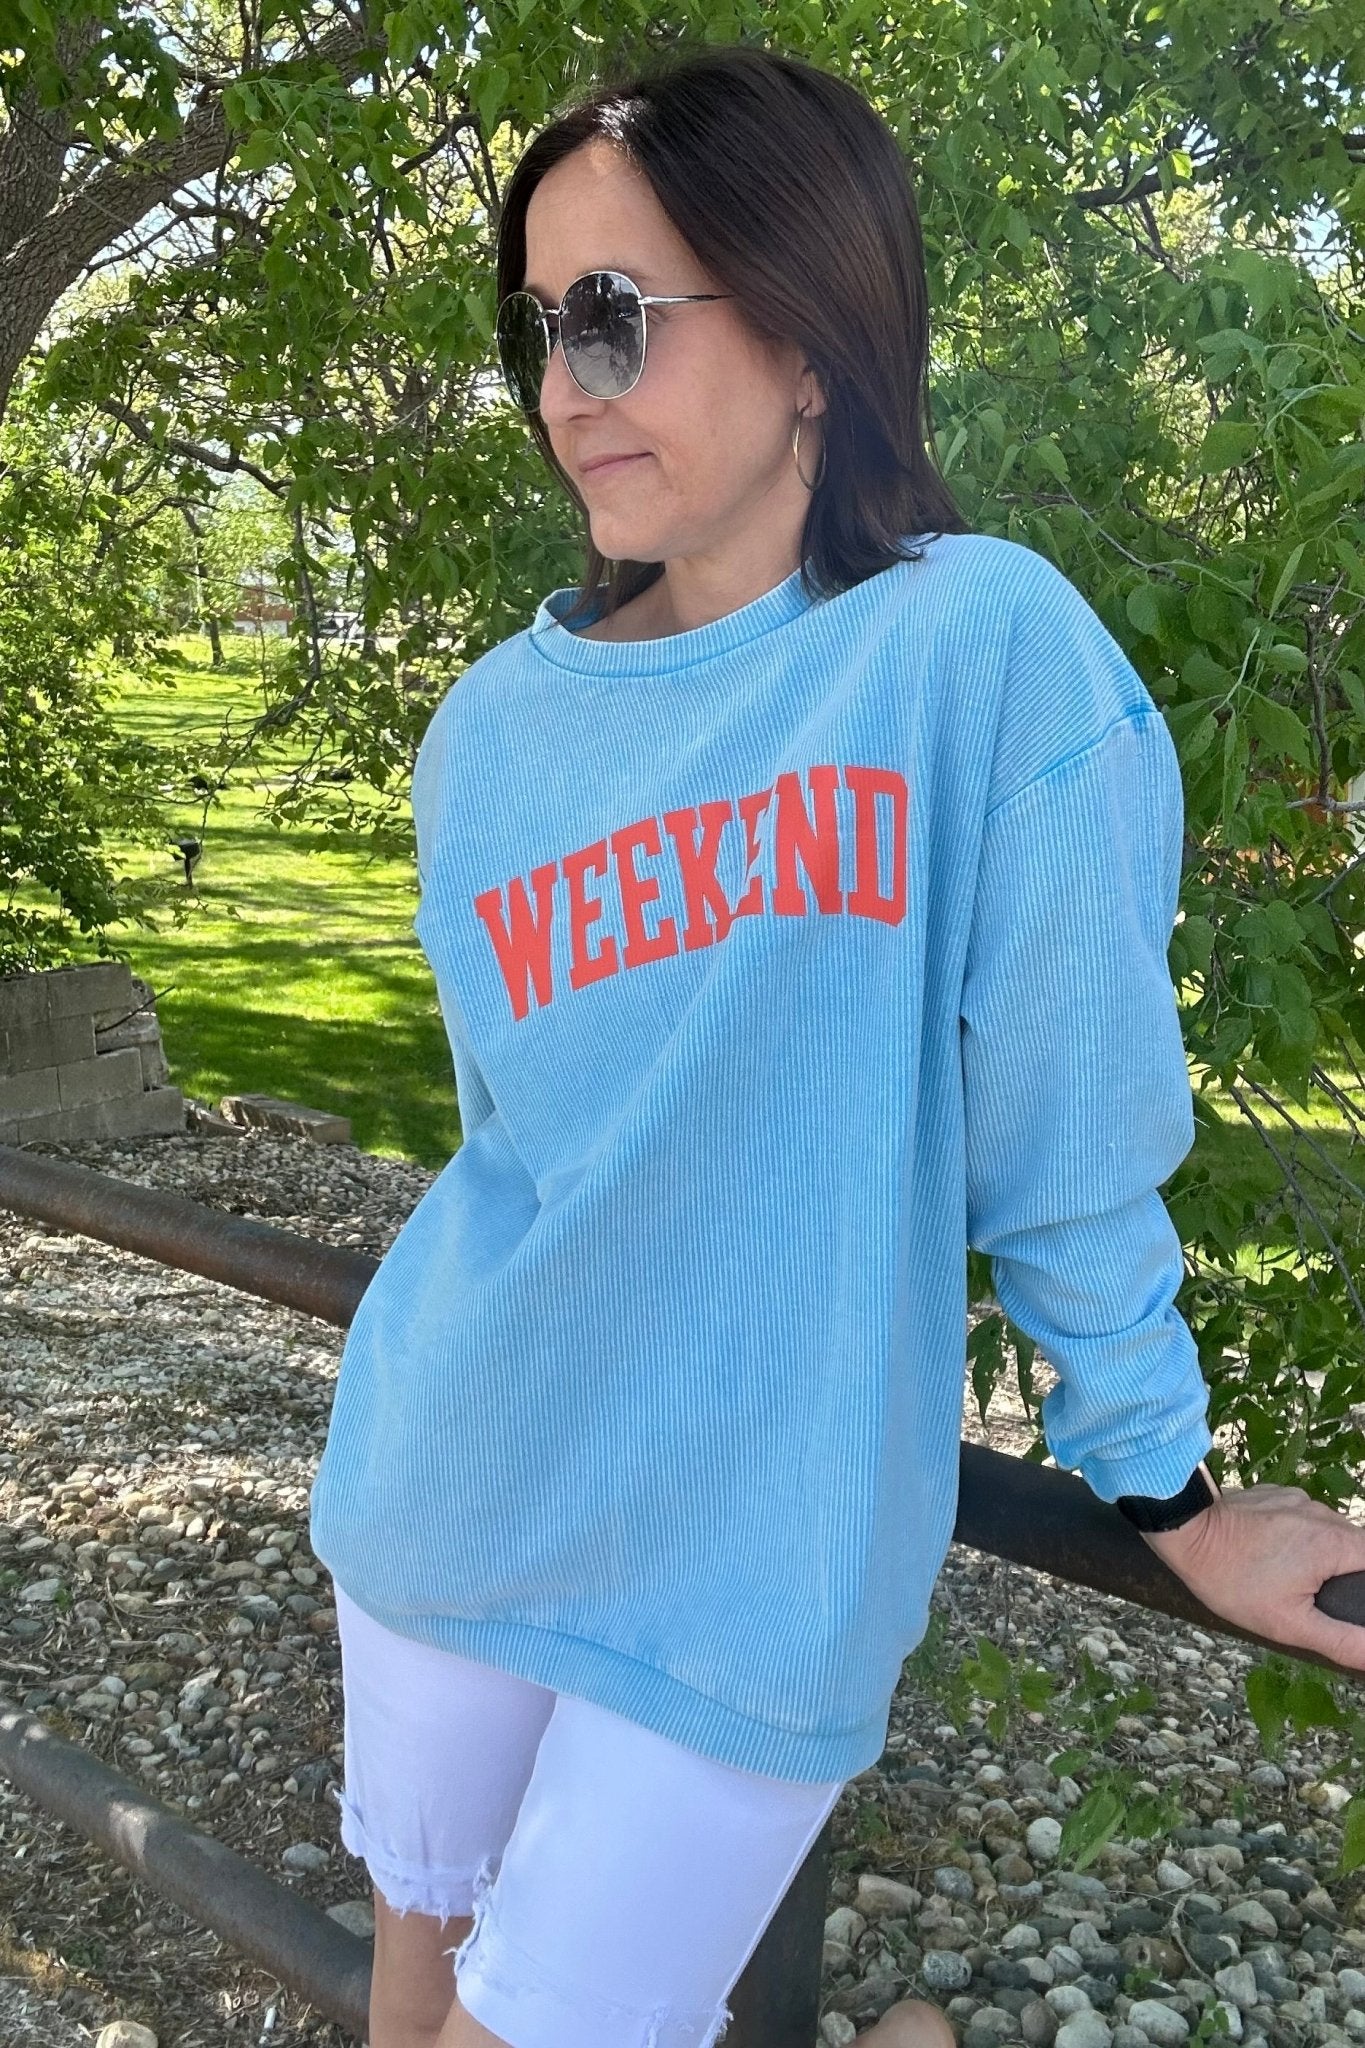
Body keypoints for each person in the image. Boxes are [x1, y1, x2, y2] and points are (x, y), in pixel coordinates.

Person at [307, 39, 1365, 2048]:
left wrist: (1162, 1489)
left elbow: (1065, 1128)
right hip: (448, 1479)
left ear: (808, 336)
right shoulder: (487, 733)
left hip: (752, 1565)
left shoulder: (976, 650)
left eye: (611, 315)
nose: (561, 387)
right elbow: (519, 1141)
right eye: (534, 330)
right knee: (406, 2013)